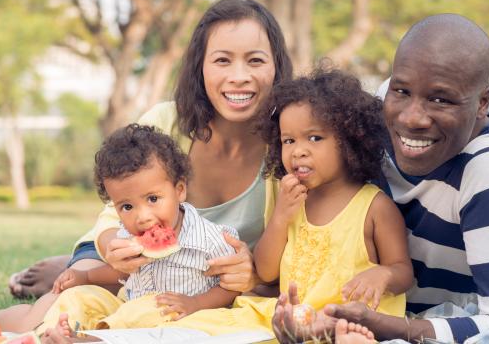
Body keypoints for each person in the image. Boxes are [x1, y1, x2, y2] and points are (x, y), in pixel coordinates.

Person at [6, 0, 292, 301]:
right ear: (200, 68)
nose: (238, 77)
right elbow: (112, 214)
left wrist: (256, 276)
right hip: (131, 266)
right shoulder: (165, 121)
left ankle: (77, 267)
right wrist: (112, 249)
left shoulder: (290, 144)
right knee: (64, 303)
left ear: (276, 67)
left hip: (205, 284)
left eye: (255, 60)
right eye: (222, 60)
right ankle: (83, 267)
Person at [273, 13, 489, 344]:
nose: (412, 118)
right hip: (354, 308)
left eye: (440, 99)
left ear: (482, 102)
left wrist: (390, 327)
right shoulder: (386, 106)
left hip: (424, 319)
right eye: (402, 90)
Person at [127, 68, 412, 338]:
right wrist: (281, 217)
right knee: (202, 323)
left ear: (351, 140)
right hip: (289, 316)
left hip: (349, 318)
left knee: (347, 333)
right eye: (288, 141)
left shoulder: (374, 206)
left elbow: (403, 270)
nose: (298, 151)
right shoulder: (292, 199)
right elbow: (265, 271)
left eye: (314, 138)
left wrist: (383, 275)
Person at [29, 124, 239, 334]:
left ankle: (93, 339)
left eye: (153, 199)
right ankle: (53, 332)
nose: (142, 217)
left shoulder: (211, 238)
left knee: (152, 307)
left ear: (180, 190)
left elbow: (231, 285)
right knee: (78, 297)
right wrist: (85, 277)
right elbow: (123, 271)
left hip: (183, 321)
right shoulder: (129, 235)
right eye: (127, 207)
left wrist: (195, 303)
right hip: (129, 311)